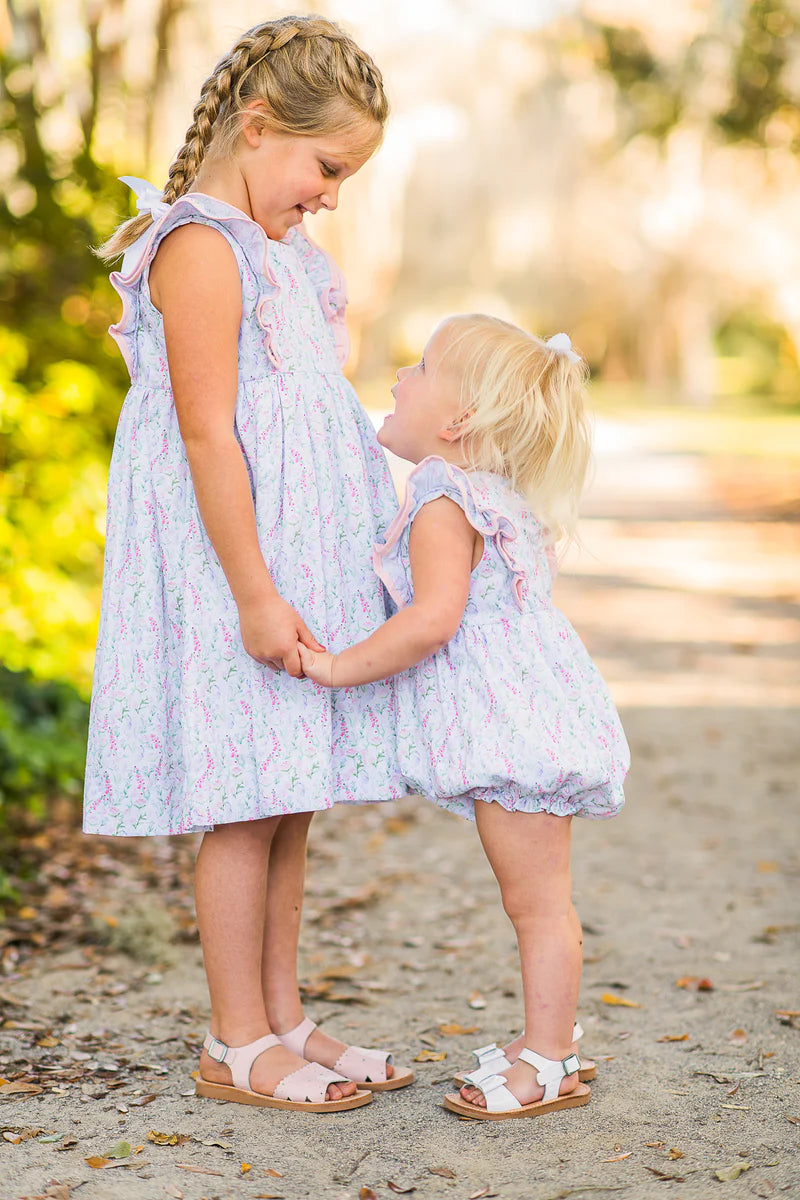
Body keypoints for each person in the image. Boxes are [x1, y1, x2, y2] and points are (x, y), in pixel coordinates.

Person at [84, 15, 415, 1113]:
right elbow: (206, 435)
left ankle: (283, 1016)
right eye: (326, 167)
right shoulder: (198, 246)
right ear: (260, 126)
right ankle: (235, 1040)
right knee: (243, 798)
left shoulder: (283, 252)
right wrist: (257, 595)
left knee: (288, 795)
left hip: (292, 563)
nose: (329, 194)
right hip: (232, 570)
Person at [299, 314, 630, 1120]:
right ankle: (544, 1041)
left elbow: (433, 619)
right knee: (542, 899)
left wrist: (341, 666)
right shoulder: (494, 492)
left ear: (456, 421)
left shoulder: (445, 494)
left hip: (514, 733)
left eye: (418, 367)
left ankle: (550, 1060)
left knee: (539, 904)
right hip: (529, 716)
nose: (398, 378)